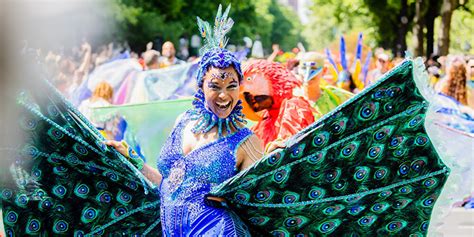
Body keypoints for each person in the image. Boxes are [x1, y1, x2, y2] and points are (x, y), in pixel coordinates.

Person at [106, 6, 265, 235]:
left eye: (232, 87)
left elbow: (259, 207)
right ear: (200, 86)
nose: (224, 95)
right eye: (215, 86)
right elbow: (168, 185)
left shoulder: (246, 142)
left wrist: (276, 161)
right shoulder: (183, 121)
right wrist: (133, 159)